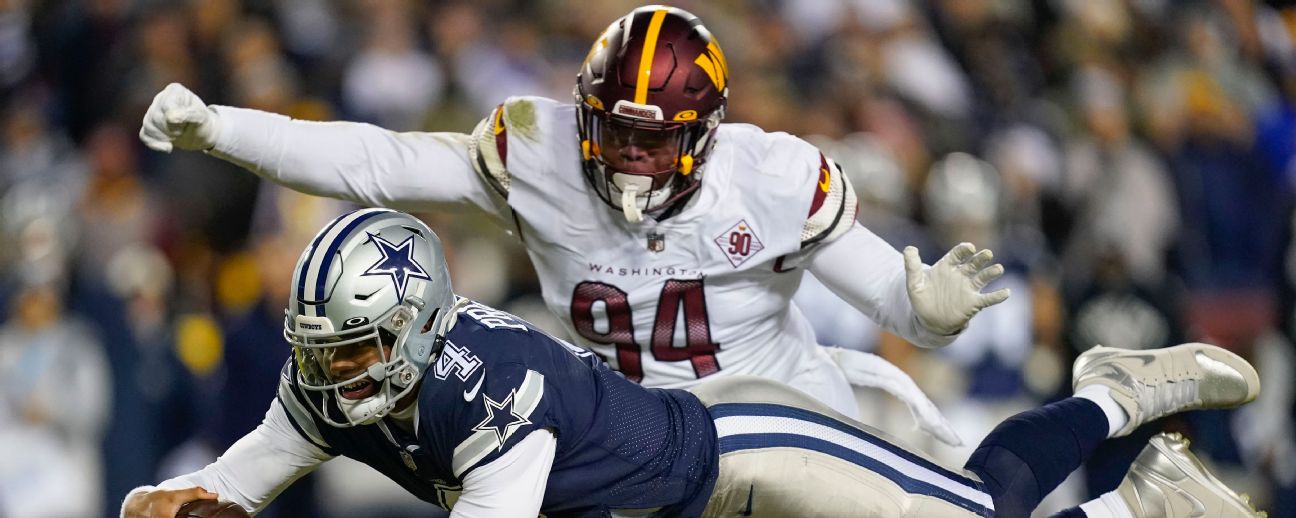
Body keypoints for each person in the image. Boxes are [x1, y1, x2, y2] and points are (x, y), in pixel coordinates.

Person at [137, 5, 1009, 428]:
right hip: (627, 431)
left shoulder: (770, 177)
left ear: (705, 136)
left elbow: (899, 310)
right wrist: (222, 128)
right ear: (584, 115)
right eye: (614, 133)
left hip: (782, 416)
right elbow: (379, 162)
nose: (632, 156)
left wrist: (927, 308)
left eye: (656, 141)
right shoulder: (539, 156)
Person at [121, 209, 1265, 518]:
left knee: (974, 513)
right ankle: (1143, 498)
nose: (338, 370)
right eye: (325, 347)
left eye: (360, 343)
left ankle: (1115, 394)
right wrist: (194, 495)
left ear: (419, 325)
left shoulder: (484, 395)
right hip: (653, 505)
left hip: (736, 457)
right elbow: (262, 458)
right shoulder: (332, 377)